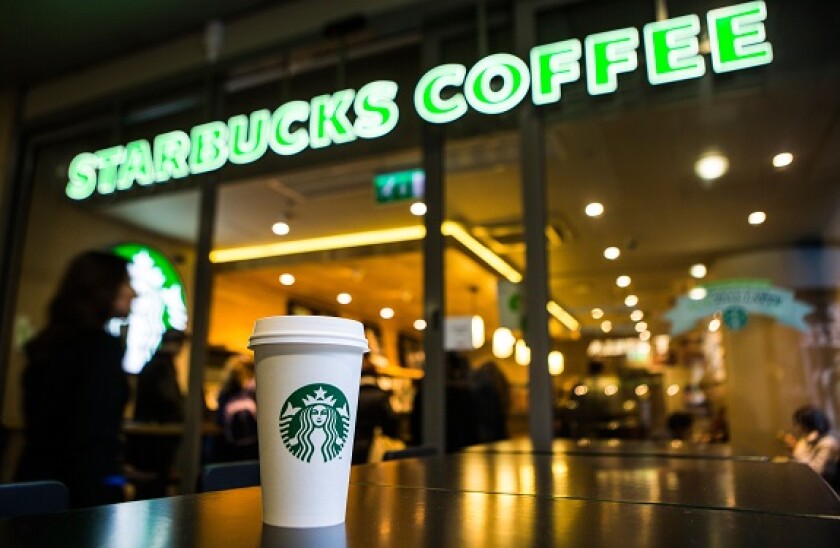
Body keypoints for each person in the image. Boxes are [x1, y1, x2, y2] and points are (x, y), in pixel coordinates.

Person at [15, 250, 135, 508]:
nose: (133, 292)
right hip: (80, 500)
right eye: (126, 282)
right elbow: (94, 441)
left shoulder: (46, 345)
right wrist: (114, 489)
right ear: (103, 288)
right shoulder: (101, 349)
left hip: (34, 490)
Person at [125, 328, 186, 499]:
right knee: (153, 493)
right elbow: (168, 400)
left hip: (147, 440)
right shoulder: (162, 366)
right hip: (155, 441)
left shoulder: (155, 364)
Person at [353, 355, 399, 464]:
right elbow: (391, 421)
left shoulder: (351, 394)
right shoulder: (381, 396)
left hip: (350, 446)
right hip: (372, 446)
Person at [214, 354, 259, 462]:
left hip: (230, 446)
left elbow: (219, 420)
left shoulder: (225, 391)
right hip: (255, 446)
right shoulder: (255, 388)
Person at [785, 405, 840, 489]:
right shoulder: (805, 441)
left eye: (798, 424)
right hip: (810, 485)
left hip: (826, 488)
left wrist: (798, 448)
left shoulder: (828, 443)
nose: (796, 429)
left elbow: (816, 471)